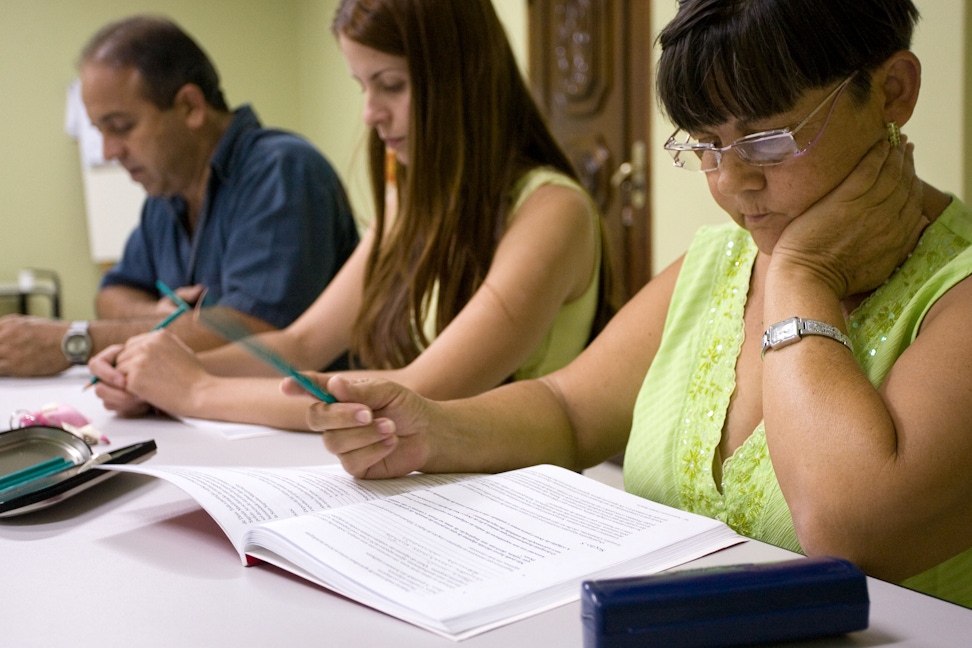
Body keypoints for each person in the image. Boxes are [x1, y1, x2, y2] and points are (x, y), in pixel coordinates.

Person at [296, 0, 972, 609]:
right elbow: (566, 410)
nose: (733, 181)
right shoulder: (718, 263)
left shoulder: (956, 292)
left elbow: (851, 532)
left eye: (768, 139)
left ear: (892, 91)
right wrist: (433, 429)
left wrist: (800, 276)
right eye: (705, 146)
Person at [88, 0, 614, 429]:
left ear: (462, 78)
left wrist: (197, 390)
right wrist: (156, 371)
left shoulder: (552, 212)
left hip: (518, 511)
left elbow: (419, 391)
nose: (370, 114)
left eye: (391, 85)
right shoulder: (409, 202)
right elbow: (304, 342)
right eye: (363, 87)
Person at [0, 15, 359, 377]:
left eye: (121, 127)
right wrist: (160, 317)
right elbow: (111, 294)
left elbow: (255, 330)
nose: (109, 151)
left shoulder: (282, 170)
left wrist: (77, 341)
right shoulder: (166, 193)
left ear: (190, 107)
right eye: (99, 133)